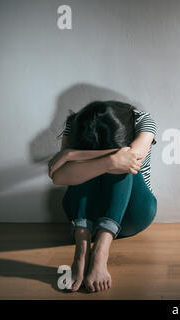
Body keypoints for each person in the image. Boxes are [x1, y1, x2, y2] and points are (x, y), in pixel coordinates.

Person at [48, 100, 158, 293]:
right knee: (97, 165)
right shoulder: (75, 123)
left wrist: (71, 154)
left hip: (132, 214)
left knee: (124, 163)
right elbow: (58, 176)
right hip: (84, 219)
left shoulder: (142, 120)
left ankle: (100, 252)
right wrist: (108, 160)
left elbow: (132, 158)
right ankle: (81, 252)